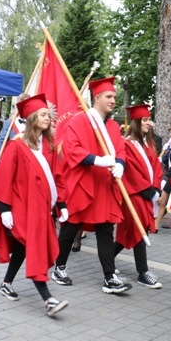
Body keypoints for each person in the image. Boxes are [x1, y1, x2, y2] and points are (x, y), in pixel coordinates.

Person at [0, 93, 69, 316]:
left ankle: (6, 283)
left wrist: (62, 204)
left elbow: (56, 177)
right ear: (31, 118)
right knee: (34, 248)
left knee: (23, 247)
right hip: (22, 207)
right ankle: (48, 299)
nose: (48, 118)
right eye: (43, 114)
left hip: (43, 209)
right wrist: (4, 210)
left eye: (48, 115)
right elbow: (3, 178)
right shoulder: (17, 145)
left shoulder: (48, 145)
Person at [50, 76, 131, 294]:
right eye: (109, 96)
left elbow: (120, 150)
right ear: (97, 98)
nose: (113, 100)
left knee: (106, 230)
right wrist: (95, 159)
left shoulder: (114, 126)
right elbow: (70, 148)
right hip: (83, 184)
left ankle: (110, 277)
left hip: (104, 186)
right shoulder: (79, 121)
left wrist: (121, 164)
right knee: (70, 228)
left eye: (114, 96)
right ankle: (59, 267)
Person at [114, 104, 163, 289]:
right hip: (134, 195)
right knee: (139, 230)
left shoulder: (148, 144)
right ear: (135, 122)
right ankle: (143, 273)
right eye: (145, 120)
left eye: (149, 119)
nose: (149, 123)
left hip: (148, 194)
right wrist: (149, 191)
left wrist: (156, 188)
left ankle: (108, 260)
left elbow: (157, 168)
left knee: (128, 233)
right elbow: (131, 173)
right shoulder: (126, 145)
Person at [0, 94, 30, 176]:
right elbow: (1, 140)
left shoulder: (34, 122)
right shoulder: (10, 122)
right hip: (13, 158)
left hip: (29, 160)